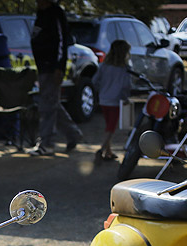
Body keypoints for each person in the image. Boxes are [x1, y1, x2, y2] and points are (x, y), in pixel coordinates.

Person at [28, 0, 83, 156]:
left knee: (47, 106)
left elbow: (61, 42)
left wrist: (59, 67)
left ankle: (47, 143)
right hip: (43, 67)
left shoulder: (55, 14)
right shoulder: (40, 14)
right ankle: (73, 134)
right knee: (51, 103)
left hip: (52, 68)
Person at [93, 40, 132, 162]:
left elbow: (95, 81)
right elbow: (126, 86)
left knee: (108, 125)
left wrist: (100, 90)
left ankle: (108, 152)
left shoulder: (104, 66)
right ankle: (102, 149)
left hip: (104, 99)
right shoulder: (125, 69)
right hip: (116, 100)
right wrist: (126, 98)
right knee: (111, 127)